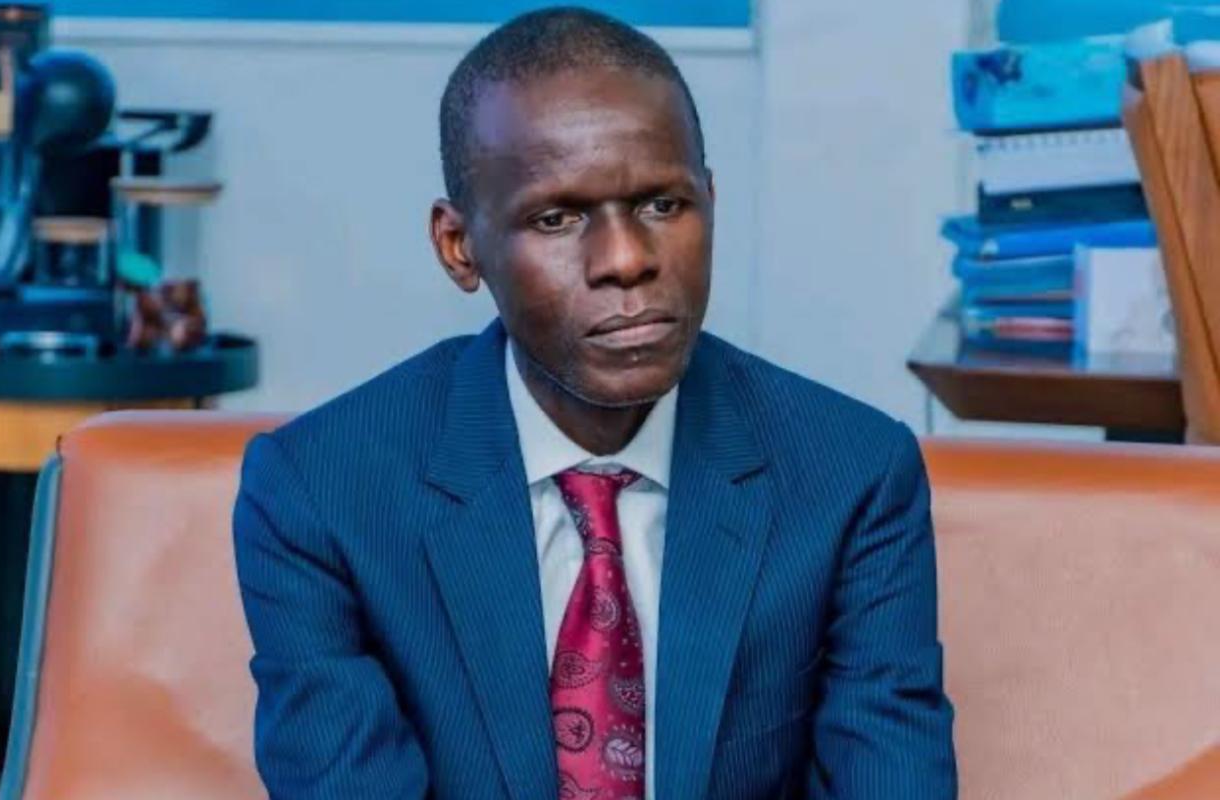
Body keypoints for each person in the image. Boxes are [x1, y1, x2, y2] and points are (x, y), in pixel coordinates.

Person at [233, 7, 956, 799]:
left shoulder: (852, 476)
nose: (626, 260)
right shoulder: (322, 492)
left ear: (711, 201)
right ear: (459, 246)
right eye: (556, 218)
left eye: (663, 205)